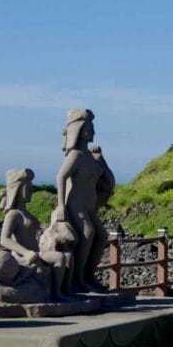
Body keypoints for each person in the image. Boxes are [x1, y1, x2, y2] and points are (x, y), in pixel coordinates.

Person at [55, 109, 116, 293]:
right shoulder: (76, 156)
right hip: (76, 206)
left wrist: (102, 160)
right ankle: (78, 279)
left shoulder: (89, 156)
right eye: (90, 127)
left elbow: (109, 182)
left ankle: (89, 276)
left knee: (101, 237)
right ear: (81, 129)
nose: (94, 132)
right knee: (88, 234)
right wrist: (61, 205)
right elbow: (60, 177)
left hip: (90, 207)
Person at [0, 168, 71, 300]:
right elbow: (4, 239)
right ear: (19, 189)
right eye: (29, 187)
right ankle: (56, 294)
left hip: (37, 252)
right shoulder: (13, 214)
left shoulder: (27, 214)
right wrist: (26, 252)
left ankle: (66, 292)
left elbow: (44, 228)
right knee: (60, 258)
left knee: (69, 256)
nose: (32, 190)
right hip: (23, 256)